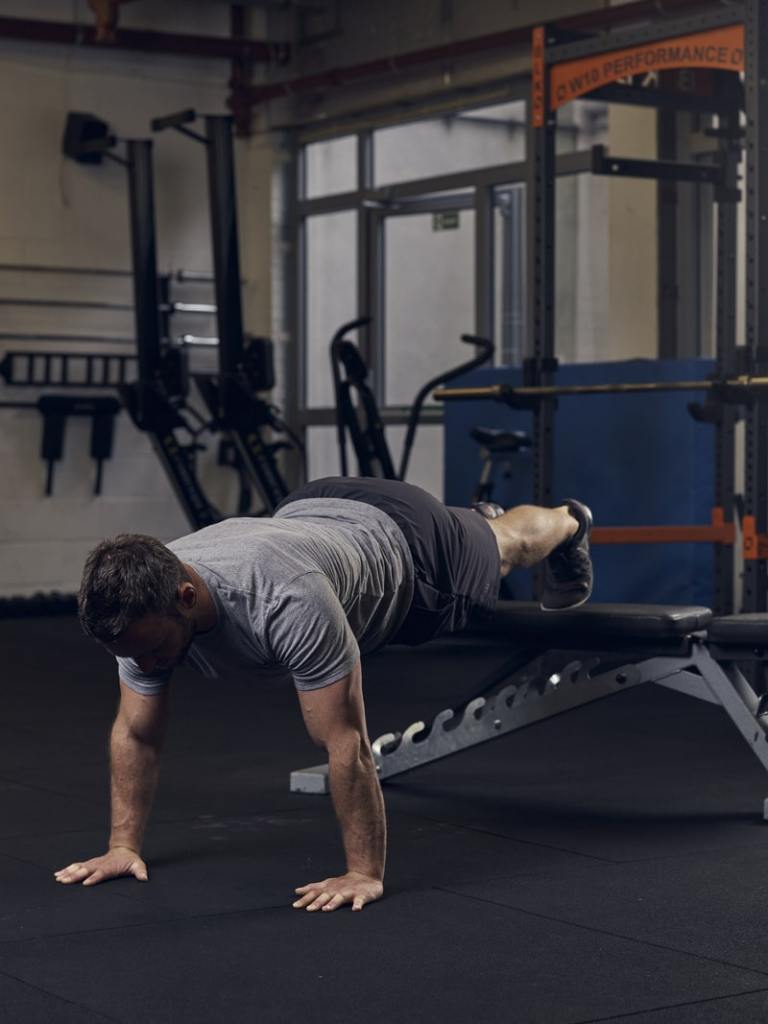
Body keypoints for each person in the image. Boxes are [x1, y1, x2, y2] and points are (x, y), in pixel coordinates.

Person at [54, 477, 593, 912]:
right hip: (313, 504)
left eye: (152, 650)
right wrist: (122, 846)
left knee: (505, 549)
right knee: (485, 535)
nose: (143, 664)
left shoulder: (286, 598)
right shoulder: (140, 605)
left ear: (187, 596)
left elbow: (345, 743)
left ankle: (567, 521)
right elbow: (136, 731)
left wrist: (363, 873)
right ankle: (477, 522)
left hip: (415, 547)